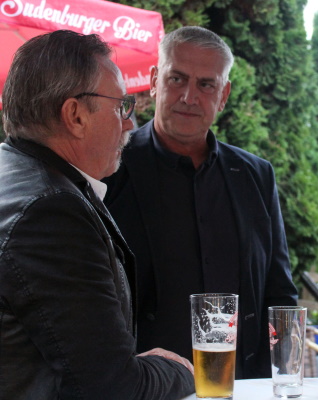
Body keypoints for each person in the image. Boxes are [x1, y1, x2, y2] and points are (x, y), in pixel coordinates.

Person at [0, 30, 195, 399]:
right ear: (75, 116)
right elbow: (114, 387)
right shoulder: (51, 214)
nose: (129, 124)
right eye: (121, 105)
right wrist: (179, 369)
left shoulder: (19, 176)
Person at [103, 26, 298, 379]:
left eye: (206, 85)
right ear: (153, 80)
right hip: (144, 387)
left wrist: (284, 375)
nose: (189, 96)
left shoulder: (256, 175)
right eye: (177, 78)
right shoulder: (109, 167)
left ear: (224, 95)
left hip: (242, 385)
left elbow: (279, 291)